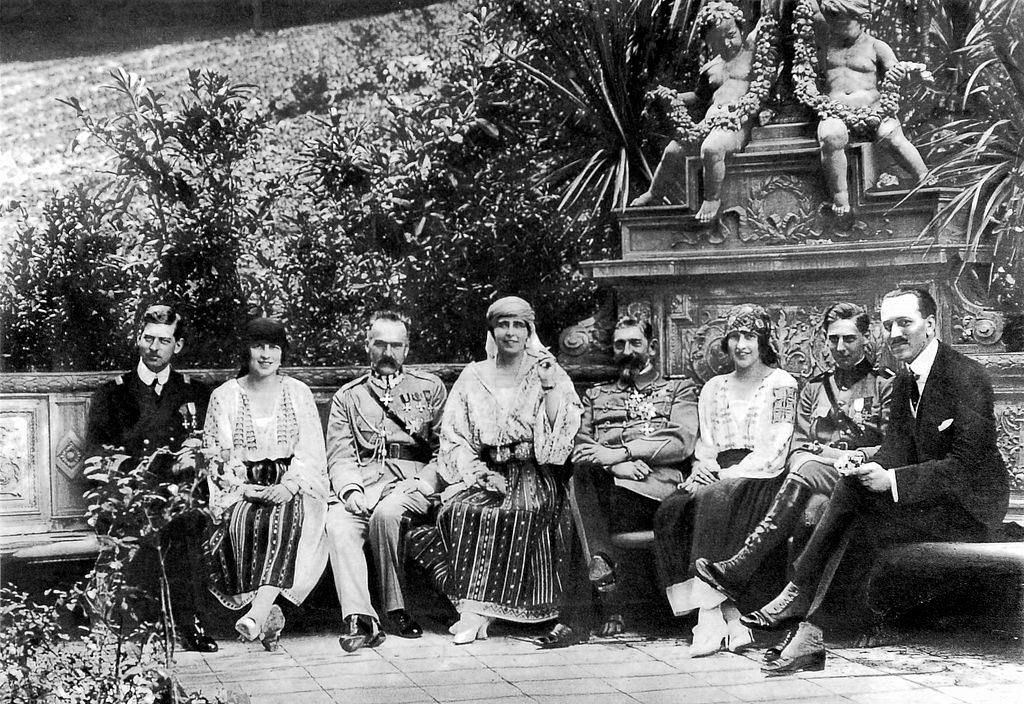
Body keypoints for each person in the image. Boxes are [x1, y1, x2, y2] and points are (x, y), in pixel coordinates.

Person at [747, 288, 1009, 675]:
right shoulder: (905, 379)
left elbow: (966, 466)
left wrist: (893, 480)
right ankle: (810, 630)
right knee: (853, 486)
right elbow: (896, 450)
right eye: (889, 325)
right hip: (928, 500)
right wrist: (865, 464)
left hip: (970, 507)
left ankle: (799, 598)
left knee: (863, 518)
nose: (895, 333)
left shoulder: (966, 376)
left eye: (906, 323)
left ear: (931, 325)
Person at [694, 302, 893, 659]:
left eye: (850, 338)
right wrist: (814, 459)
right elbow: (798, 446)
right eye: (833, 339)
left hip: (866, 478)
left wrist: (834, 457)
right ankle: (805, 621)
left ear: (867, 339)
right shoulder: (815, 389)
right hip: (821, 481)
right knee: (810, 514)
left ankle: (742, 567)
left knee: (805, 478)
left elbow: (891, 446)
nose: (841, 347)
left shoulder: (884, 386)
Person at [407, 296, 583, 645]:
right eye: (503, 324)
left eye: (519, 325)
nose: (511, 332)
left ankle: (478, 615)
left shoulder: (548, 370)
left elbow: (560, 436)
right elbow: (455, 437)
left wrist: (548, 387)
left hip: (534, 474)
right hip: (488, 471)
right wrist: (479, 474)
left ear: (529, 330)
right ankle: (475, 611)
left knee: (520, 511)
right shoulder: (473, 376)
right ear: (492, 330)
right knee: (456, 511)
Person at [536, 315, 699, 648]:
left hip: (657, 495)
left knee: (577, 504)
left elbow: (681, 441)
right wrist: (616, 468)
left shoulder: (677, 388)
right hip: (608, 490)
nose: (627, 351)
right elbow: (580, 448)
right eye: (620, 344)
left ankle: (583, 613)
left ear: (651, 347)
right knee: (582, 475)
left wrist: (619, 452)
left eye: (635, 343)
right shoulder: (597, 395)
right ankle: (601, 569)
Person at [653, 304, 798, 657]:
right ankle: (727, 616)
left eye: (749, 336)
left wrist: (722, 475)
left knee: (715, 498)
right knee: (671, 510)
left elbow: (776, 447)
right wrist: (702, 468)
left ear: (762, 340)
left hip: (763, 475)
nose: (741, 345)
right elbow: (707, 444)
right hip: (717, 470)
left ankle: (706, 616)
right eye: (734, 336)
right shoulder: (713, 388)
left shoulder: (781, 384)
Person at [85, 304, 216, 652]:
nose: (154, 347)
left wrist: (196, 456)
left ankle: (190, 621)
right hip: (129, 493)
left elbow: (210, 447)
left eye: (164, 340)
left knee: (188, 517)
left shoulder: (195, 393)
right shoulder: (111, 394)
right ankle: (137, 622)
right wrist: (144, 481)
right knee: (140, 520)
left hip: (179, 495)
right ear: (138, 339)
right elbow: (97, 457)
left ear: (179, 345)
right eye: (148, 338)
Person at [203, 318, 329, 651]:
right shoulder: (225, 396)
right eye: (259, 345)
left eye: (273, 347)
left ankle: (256, 614)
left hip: (293, 485)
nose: (266, 354)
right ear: (246, 350)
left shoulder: (297, 393)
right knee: (243, 520)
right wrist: (245, 489)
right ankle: (267, 612)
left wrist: (289, 485)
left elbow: (312, 451)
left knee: (287, 516)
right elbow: (218, 457)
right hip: (242, 486)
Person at [325, 310, 447, 652]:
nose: (388, 353)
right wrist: (350, 490)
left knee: (387, 514)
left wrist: (426, 481)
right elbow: (340, 453)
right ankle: (361, 619)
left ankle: (395, 608)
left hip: (412, 484)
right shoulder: (348, 397)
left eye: (396, 346)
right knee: (338, 524)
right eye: (381, 344)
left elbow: (446, 449)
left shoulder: (429, 389)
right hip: (364, 484)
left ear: (406, 350)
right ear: (368, 345)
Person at [631, 0, 774, 221]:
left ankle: (712, 198)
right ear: (708, 43)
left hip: (737, 123)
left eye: (731, 34)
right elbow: (699, 97)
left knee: (712, 148)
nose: (726, 43)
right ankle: (654, 193)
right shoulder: (710, 67)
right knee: (672, 151)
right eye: (717, 41)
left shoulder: (751, 48)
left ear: (741, 27)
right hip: (707, 125)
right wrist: (672, 96)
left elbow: (769, 18)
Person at [810, 0, 930, 216]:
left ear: (861, 18)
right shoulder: (825, 47)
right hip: (836, 112)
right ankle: (840, 195)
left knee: (891, 136)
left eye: (845, 24)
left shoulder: (876, 46)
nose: (838, 28)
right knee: (830, 136)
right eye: (834, 23)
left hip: (874, 111)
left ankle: (923, 175)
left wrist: (911, 72)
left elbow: (897, 71)